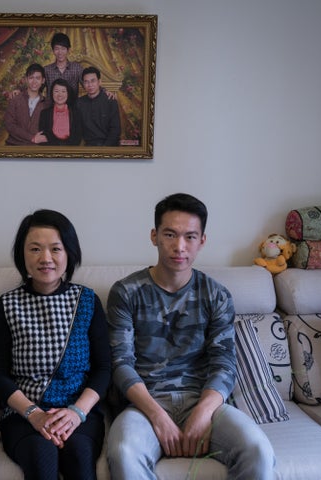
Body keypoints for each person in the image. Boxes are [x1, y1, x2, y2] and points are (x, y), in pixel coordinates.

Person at [106, 193, 276, 480]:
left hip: (203, 400)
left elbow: (224, 362)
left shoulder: (216, 294)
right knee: (123, 453)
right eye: (170, 234)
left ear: (202, 241)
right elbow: (121, 364)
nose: (179, 247)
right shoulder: (126, 292)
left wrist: (203, 411)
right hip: (144, 405)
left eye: (190, 237)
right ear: (154, 236)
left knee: (258, 450)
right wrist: (158, 417)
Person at [0, 209, 111, 480]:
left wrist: (76, 413)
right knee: (40, 456)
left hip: (79, 412)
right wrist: (33, 414)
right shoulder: (7, 305)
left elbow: (103, 369)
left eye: (55, 249)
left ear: (69, 253)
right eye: (35, 249)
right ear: (23, 255)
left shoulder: (87, 301)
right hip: (23, 414)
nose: (45, 258)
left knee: (79, 457)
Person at [4, 63, 50, 145]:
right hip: (14, 145)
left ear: (43, 80)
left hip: (36, 148)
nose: (34, 81)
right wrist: (31, 138)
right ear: (26, 79)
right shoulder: (15, 99)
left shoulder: (47, 103)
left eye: (38, 78)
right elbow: (9, 125)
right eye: (31, 78)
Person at [78, 66, 121, 146]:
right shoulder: (79, 103)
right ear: (83, 84)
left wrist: (103, 149)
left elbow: (115, 130)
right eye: (86, 82)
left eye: (93, 81)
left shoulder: (110, 100)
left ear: (99, 82)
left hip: (109, 146)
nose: (90, 85)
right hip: (89, 147)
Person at [38, 78, 83, 145]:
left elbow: (77, 138)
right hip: (50, 152)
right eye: (56, 91)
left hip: (71, 152)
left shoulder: (76, 113)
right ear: (51, 93)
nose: (60, 95)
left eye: (63, 91)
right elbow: (43, 138)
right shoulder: (44, 114)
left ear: (68, 93)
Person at [44, 32, 84, 98]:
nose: (60, 52)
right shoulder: (46, 70)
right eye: (57, 49)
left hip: (72, 107)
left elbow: (88, 84)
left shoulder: (77, 68)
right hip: (52, 107)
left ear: (68, 50)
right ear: (53, 50)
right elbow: (37, 88)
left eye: (63, 49)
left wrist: (104, 91)